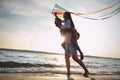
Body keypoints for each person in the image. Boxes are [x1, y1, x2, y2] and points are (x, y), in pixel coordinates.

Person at [54, 12, 89, 79]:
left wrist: (81, 52)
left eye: (65, 15)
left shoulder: (68, 23)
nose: (63, 15)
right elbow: (61, 23)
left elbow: (74, 41)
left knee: (74, 58)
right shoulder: (62, 26)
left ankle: (86, 70)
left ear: (67, 15)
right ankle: (68, 73)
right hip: (68, 44)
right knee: (67, 58)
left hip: (72, 43)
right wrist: (57, 17)